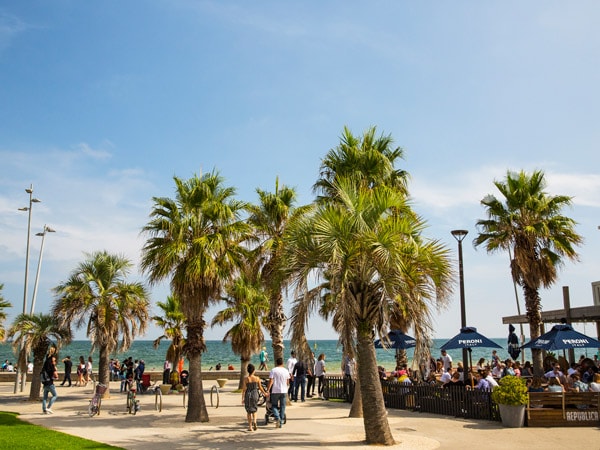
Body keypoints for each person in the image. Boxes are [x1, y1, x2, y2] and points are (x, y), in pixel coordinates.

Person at [241, 363, 268, 432]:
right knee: (254, 409)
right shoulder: (257, 378)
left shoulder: (246, 379)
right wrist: (264, 393)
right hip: (255, 394)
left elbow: (244, 389)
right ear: (253, 371)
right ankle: (255, 422)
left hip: (248, 395)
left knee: (249, 411)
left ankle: (250, 426)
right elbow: (260, 387)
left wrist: (242, 398)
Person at [267, 357, 290, 428]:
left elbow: (271, 381)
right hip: (284, 391)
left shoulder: (273, 370)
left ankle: (277, 418)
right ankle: (281, 420)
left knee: (274, 405)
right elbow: (287, 382)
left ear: (276, 363)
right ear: (282, 363)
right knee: (283, 406)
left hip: (275, 390)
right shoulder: (286, 371)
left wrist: (268, 390)